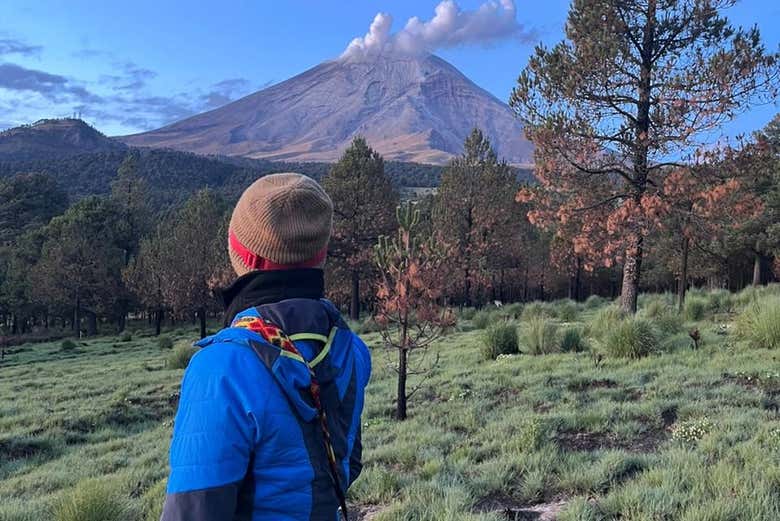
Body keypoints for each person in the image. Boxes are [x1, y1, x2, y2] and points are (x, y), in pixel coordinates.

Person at [161, 173, 371, 521]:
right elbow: (348, 461)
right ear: (321, 253)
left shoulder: (221, 367)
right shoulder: (351, 348)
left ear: (245, 256)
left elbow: (193, 511)